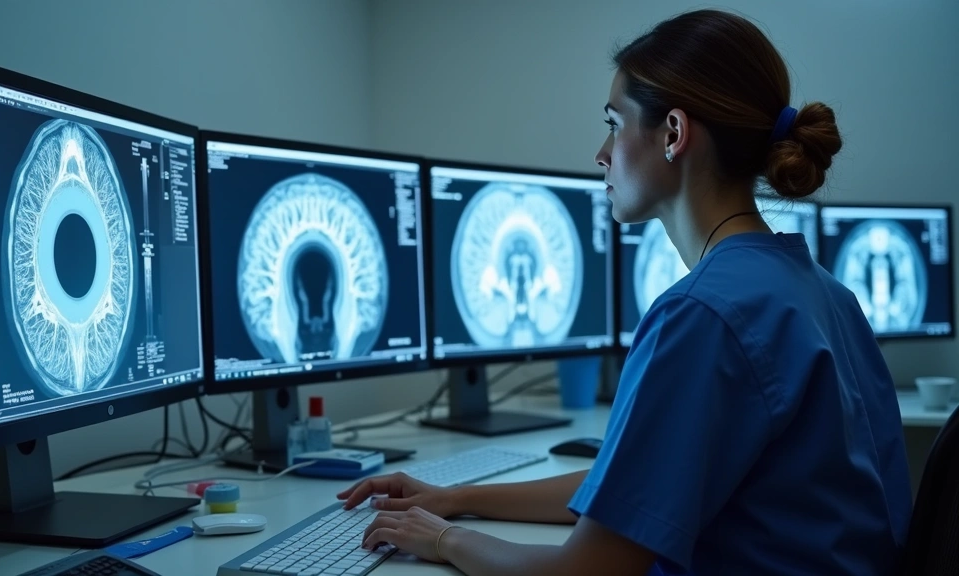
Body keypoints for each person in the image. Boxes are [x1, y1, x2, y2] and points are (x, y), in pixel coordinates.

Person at [337, 8, 913, 575]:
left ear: (673, 133)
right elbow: (633, 489)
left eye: (614, 124)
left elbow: (586, 569)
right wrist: (455, 496)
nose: (602, 153)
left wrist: (446, 541)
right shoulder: (825, 294)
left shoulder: (701, 314)